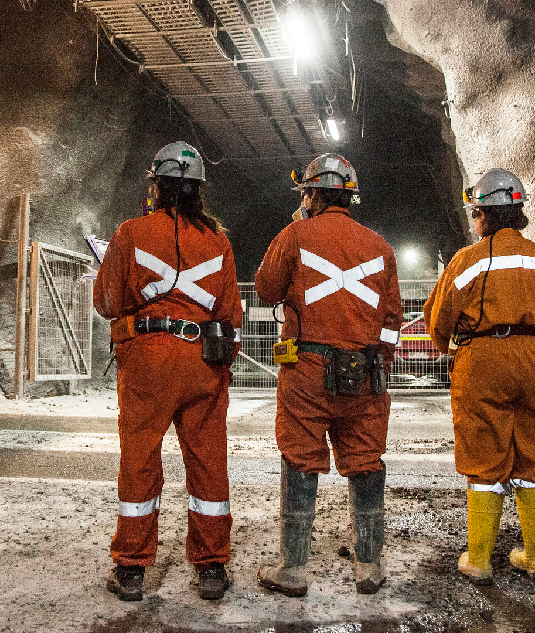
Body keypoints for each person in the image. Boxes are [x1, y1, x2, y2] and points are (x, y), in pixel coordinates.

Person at [93, 141, 243, 602]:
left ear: (156, 187)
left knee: (140, 457)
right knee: (207, 461)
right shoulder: (217, 240)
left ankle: (132, 569)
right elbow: (230, 312)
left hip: (148, 359)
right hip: (202, 360)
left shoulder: (131, 233)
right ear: (198, 191)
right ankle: (212, 567)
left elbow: (106, 302)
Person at [254, 153, 402, 596]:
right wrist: (381, 367)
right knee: (365, 460)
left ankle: (293, 569)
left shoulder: (296, 234)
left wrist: (298, 225)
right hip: (366, 371)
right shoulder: (380, 247)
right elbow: (392, 319)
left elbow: (265, 289)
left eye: (305, 192)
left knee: (301, 457)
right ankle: (369, 565)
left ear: (313, 193)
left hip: (308, 370)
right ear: (349, 195)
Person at [423, 168, 535, 584]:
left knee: (485, 458)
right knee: (534, 456)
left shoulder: (467, 261)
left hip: (485, 359)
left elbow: (439, 321)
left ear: (483, 215)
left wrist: (452, 351)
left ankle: (481, 559)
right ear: (518, 212)